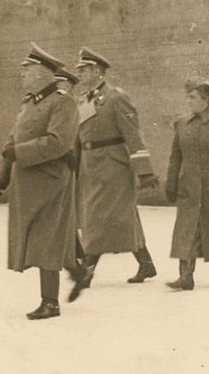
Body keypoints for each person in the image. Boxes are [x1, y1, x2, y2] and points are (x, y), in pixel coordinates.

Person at [0, 44, 79, 320]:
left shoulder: (62, 101)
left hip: (51, 181)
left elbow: (58, 142)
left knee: (46, 239)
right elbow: (13, 138)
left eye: (26, 69)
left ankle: (50, 302)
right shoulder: (30, 102)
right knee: (41, 239)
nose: (22, 73)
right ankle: (77, 272)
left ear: (41, 72)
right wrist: (1, 172)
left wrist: (18, 154)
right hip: (28, 182)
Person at [68, 47, 159, 301]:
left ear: (98, 71)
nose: (80, 74)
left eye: (84, 70)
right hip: (90, 167)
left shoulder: (116, 98)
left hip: (114, 167)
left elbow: (133, 134)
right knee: (121, 217)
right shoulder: (83, 100)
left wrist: (144, 171)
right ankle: (146, 263)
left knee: (98, 217)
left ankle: (87, 270)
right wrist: (72, 164)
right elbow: (78, 137)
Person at [163, 78, 209, 290]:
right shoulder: (182, 123)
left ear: (206, 99)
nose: (188, 101)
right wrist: (171, 183)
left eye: (193, 97)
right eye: (187, 97)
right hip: (188, 188)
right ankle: (185, 277)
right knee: (186, 230)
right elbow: (175, 157)